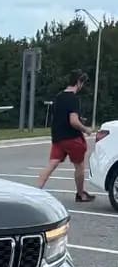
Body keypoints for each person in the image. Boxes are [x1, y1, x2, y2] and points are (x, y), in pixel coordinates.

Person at [37, 70, 95, 202]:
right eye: (82, 83)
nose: (82, 86)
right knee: (79, 166)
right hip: (72, 138)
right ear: (79, 82)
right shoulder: (73, 99)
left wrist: (79, 118)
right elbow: (73, 121)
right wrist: (85, 129)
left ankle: (35, 190)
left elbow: (60, 117)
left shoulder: (59, 96)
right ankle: (80, 194)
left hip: (58, 137)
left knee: (52, 164)